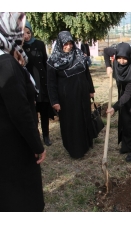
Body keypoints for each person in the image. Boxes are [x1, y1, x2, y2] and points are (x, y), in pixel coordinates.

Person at [0, 12, 46, 212]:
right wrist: (37, 145)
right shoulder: (7, 64)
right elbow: (20, 111)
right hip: (14, 144)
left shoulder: (11, 59)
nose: (21, 33)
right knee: (21, 197)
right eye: (18, 28)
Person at [47, 31, 95, 159]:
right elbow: (51, 84)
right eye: (65, 44)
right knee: (72, 122)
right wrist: (55, 101)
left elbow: (87, 74)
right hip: (67, 99)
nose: (68, 47)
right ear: (59, 44)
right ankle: (75, 150)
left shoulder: (79, 54)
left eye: (70, 43)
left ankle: (86, 143)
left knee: (84, 118)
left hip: (82, 95)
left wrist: (91, 89)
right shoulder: (53, 61)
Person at [23, 20, 55, 146]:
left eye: (28, 32)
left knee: (44, 111)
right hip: (29, 85)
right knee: (33, 113)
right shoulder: (19, 47)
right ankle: (36, 136)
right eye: (23, 33)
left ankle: (46, 136)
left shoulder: (40, 44)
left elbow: (45, 63)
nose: (26, 35)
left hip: (42, 84)